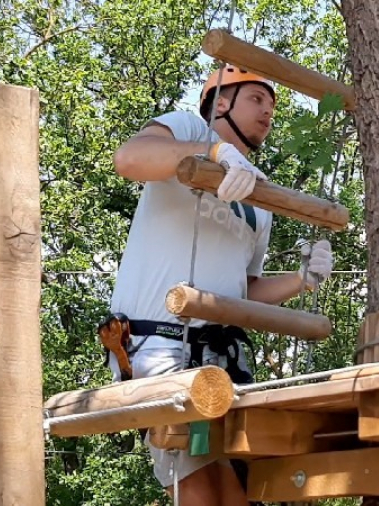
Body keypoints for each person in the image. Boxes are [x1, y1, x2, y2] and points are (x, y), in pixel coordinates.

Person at [107, 64, 334, 506]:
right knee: (201, 484)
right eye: (257, 99)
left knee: (237, 491)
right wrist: (214, 152)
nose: (269, 112)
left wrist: (301, 280)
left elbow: (242, 290)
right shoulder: (188, 128)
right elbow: (129, 158)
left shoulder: (258, 197)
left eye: (272, 104)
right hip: (157, 343)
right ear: (222, 102)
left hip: (220, 353)